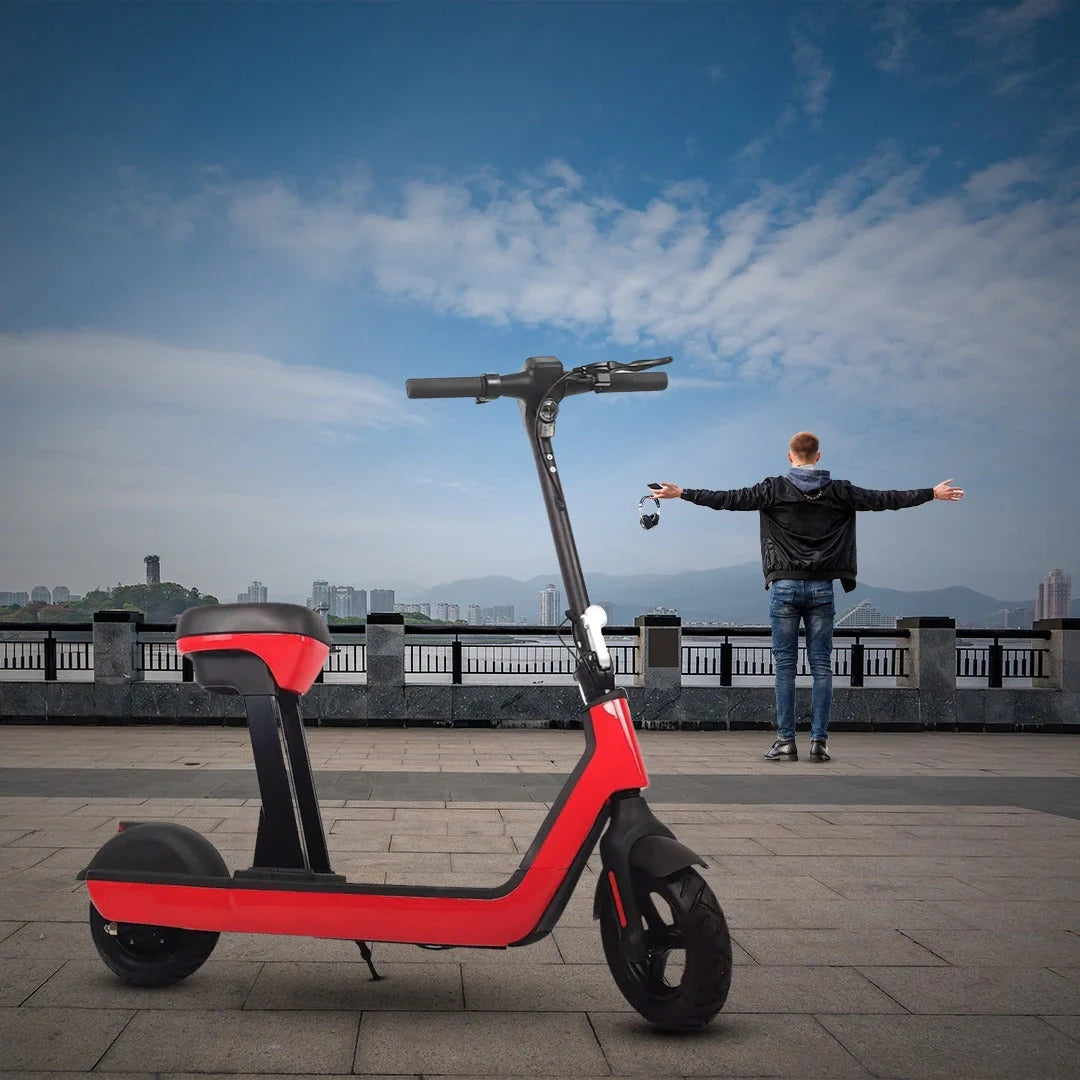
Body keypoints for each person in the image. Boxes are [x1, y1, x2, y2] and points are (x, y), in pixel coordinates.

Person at [650, 432, 964, 762]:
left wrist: (682, 493)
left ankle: (785, 741)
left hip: (784, 585)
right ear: (818, 455)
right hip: (822, 588)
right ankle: (820, 743)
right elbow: (885, 498)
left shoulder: (773, 489)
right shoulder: (840, 492)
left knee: (784, 668)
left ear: (790, 457)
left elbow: (728, 498)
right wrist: (931, 493)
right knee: (822, 667)